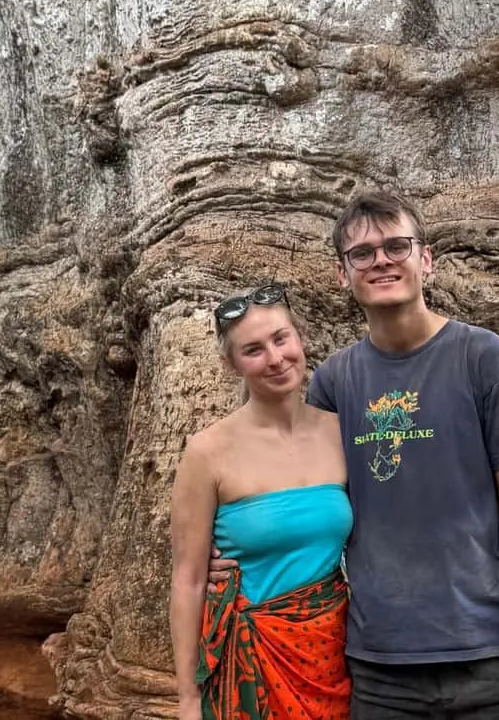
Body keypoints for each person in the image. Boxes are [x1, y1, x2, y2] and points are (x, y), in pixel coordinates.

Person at [211, 191, 499, 718]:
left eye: (397, 245)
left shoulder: (483, 358)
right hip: (377, 664)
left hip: (487, 651)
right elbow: (300, 494)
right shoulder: (335, 382)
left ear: (426, 259)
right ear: (343, 274)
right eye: (363, 253)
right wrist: (232, 554)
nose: (382, 261)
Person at [170, 284, 352, 719]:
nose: (275, 358)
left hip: (336, 654)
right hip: (251, 661)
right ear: (232, 365)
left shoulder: (341, 433)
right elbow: (188, 580)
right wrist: (187, 699)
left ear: (299, 337)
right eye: (253, 350)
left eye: (280, 338)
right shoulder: (207, 451)